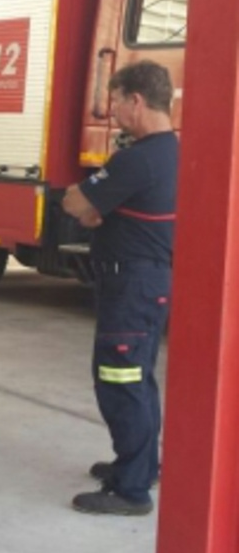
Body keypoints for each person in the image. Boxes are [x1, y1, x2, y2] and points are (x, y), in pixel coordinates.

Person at [62, 60, 177, 516]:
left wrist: (92, 205)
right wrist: (95, 209)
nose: (112, 110)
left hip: (130, 283)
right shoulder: (171, 152)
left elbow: (78, 203)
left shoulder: (138, 159)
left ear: (136, 100)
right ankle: (140, 465)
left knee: (120, 379)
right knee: (139, 379)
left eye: (116, 100)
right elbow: (91, 211)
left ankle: (131, 490)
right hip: (146, 281)